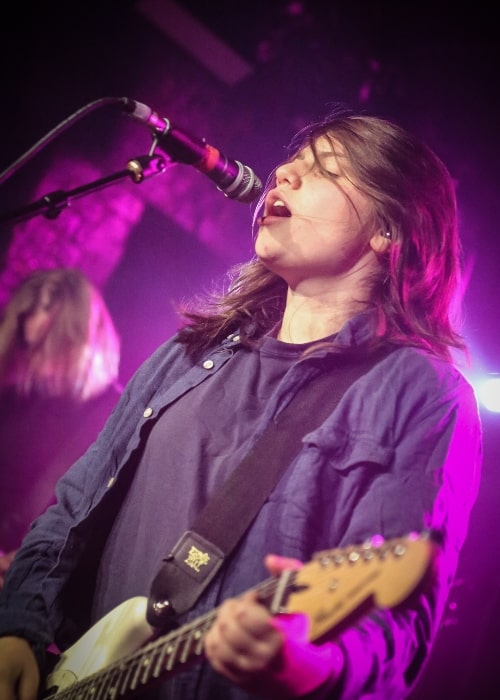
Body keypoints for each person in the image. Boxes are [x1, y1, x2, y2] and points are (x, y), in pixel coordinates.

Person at [0, 105, 482, 700]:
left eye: (324, 169)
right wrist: (16, 630)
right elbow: (71, 511)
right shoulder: (188, 353)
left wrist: (311, 669)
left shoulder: (420, 392)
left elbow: (396, 628)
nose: (284, 174)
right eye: (290, 162)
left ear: (388, 229)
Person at [0, 267, 122, 586]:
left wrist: (21, 554)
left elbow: (69, 502)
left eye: (41, 309)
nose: (28, 322)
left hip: (27, 569)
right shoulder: (21, 392)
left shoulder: (108, 408)